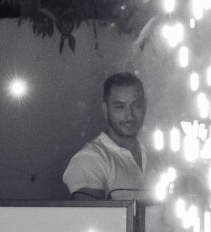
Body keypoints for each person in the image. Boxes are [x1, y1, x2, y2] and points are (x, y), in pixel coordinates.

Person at [64, 71, 154, 201]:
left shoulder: (155, 154)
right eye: (120, 107)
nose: (129, 115)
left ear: (145, 106)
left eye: (136, 105)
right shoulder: (91, 158)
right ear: (105, 110)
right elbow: (91, 219)